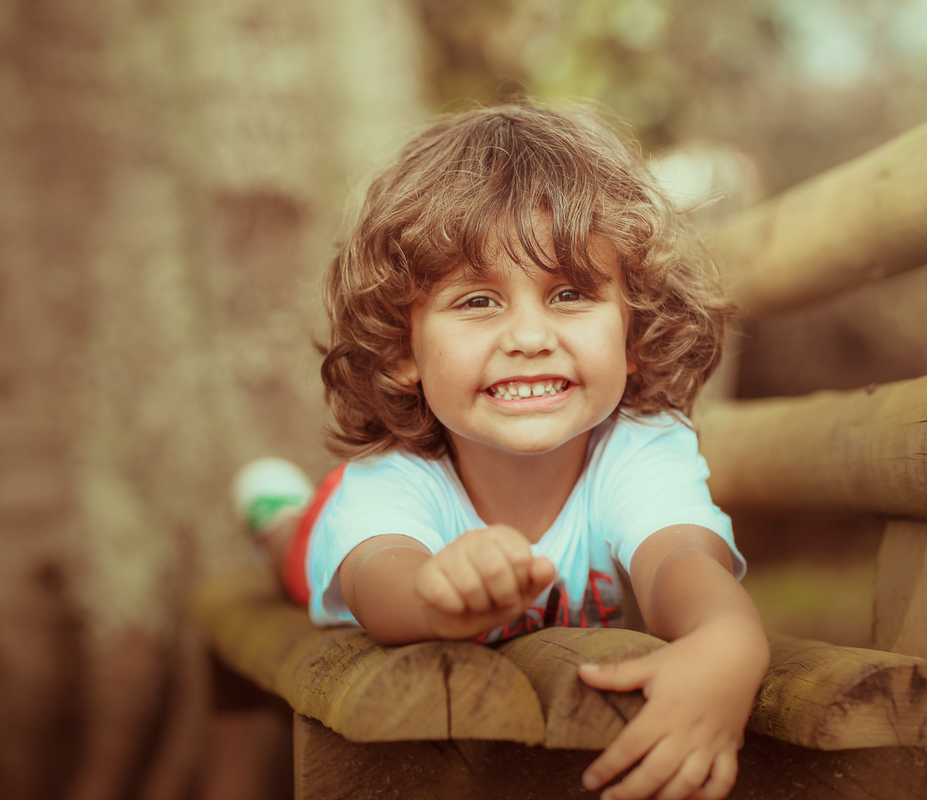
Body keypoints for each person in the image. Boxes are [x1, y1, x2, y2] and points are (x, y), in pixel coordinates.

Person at [233, 101, 770, 800]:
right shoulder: (394, 476)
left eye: (570, 293)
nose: (528, 336)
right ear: (403, 351)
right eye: (479, 302)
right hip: (342, 520)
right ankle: (277, 514)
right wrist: (432, 597)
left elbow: (679, 560)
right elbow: (375, 578)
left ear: (634, 336)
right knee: (301, 557)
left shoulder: (640, 451)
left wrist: (728, 639)